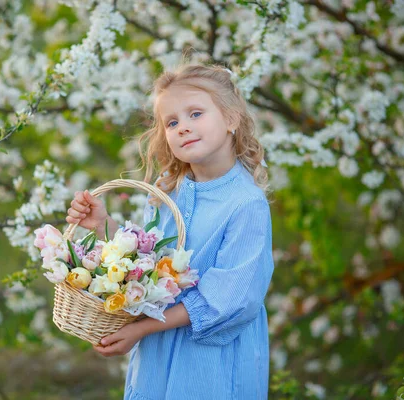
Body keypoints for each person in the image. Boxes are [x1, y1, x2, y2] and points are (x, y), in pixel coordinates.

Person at [66, 63, 275, 400]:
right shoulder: (166, 191)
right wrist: (103, 224)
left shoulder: (245, 204)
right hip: (157, 352)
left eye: (196, 113)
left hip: (210, 360)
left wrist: (143, 328)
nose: (183, 128)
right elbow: (146, 259)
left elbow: (231, 301)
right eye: (172, 122)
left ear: (231, 119)